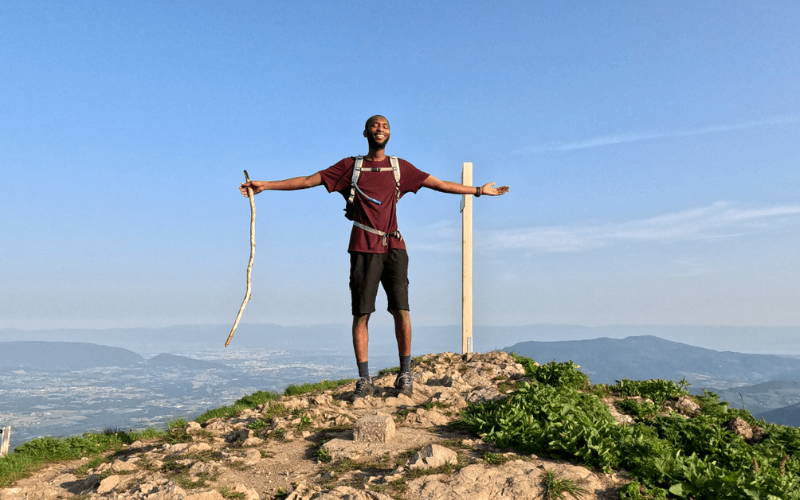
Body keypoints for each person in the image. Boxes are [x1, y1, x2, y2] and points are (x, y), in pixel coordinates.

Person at [239, 115, 509, 400]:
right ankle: (364, 379)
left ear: (389, 134)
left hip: (394, 246)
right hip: (363, 246)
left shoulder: (399, 167)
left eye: (385, 126)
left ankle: (405, 373)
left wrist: (479, 191)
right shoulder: (350, 167)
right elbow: (309, 180)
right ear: (365, 132)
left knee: (402, 310)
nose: (381, 129)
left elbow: (439, 184)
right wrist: (266, 185)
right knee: (361, 314)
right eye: (375, 125)